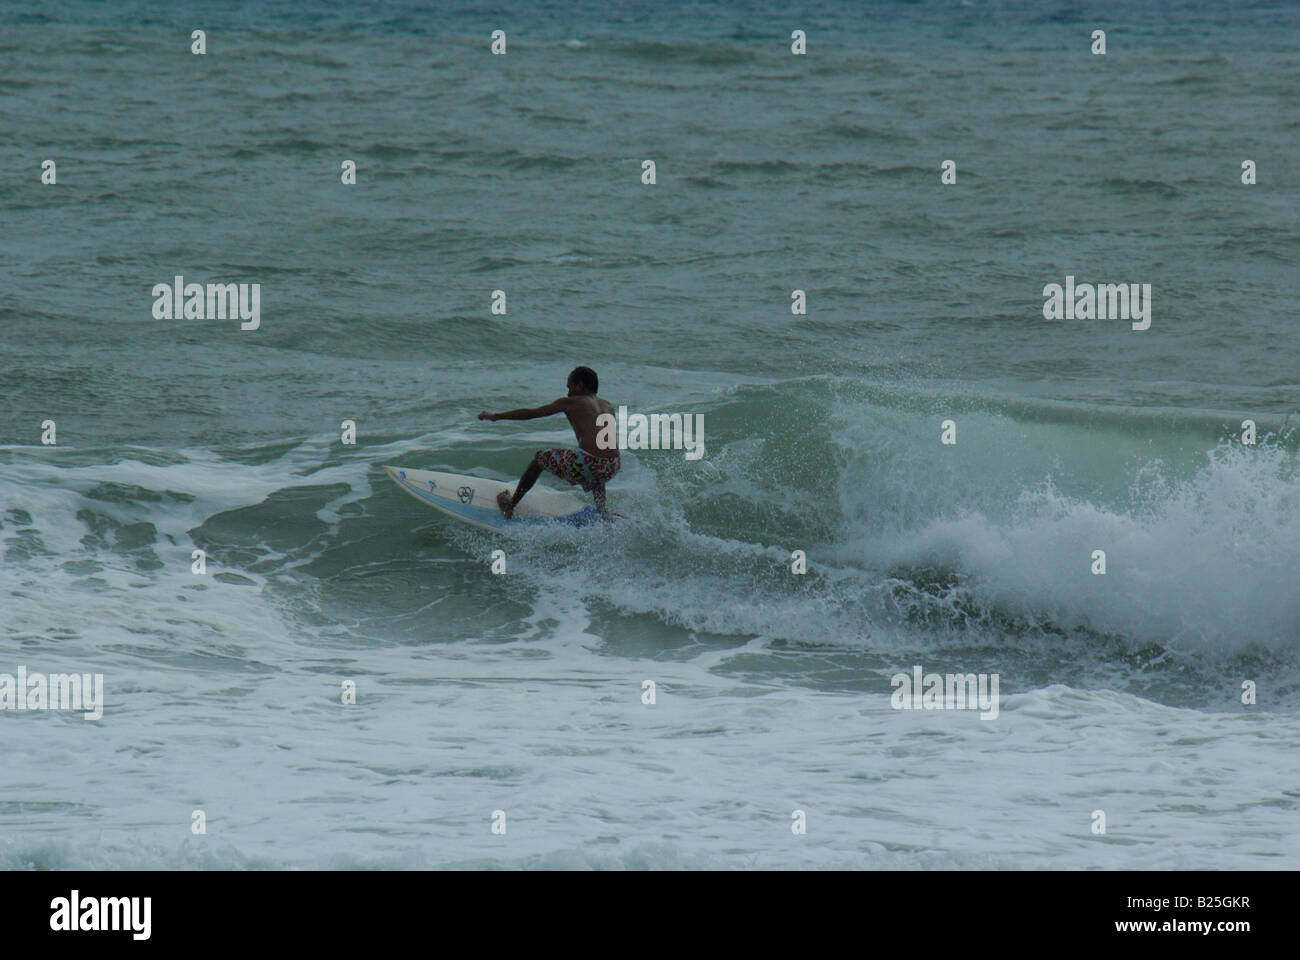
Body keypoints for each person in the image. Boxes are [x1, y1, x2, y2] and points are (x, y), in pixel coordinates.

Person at [477, 366, 619, 519]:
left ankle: (510, 505)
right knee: (597, 467)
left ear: (579, 385)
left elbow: (531, 413)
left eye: (569, 387)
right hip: (612, 465)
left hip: (589, 462)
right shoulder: (608, 405)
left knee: (539, 459)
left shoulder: (571, 402)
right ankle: (603, 512)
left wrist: (496, 416)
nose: (568, 392)